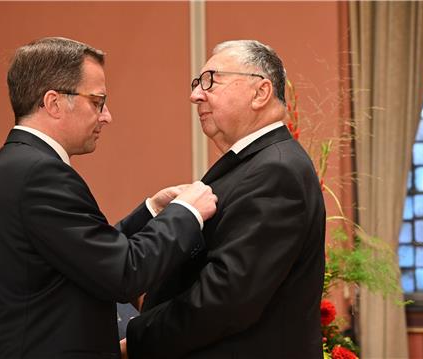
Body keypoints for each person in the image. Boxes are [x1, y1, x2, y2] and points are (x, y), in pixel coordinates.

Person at [0, 37, 218, 359]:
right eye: (97, 101)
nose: (106, 116)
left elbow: (84, 254)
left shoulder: (19, 164)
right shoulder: (39, 174)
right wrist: (187, 213)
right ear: (54, 102)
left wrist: (152, 210)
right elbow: (123, 274)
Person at [124, 40, 326, 358]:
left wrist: (137, 339)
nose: (195, 95)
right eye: (196, 83)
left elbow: (226, 297)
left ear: (260, 92)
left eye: (210, 81)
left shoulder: (276, 169)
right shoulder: (257, 162)